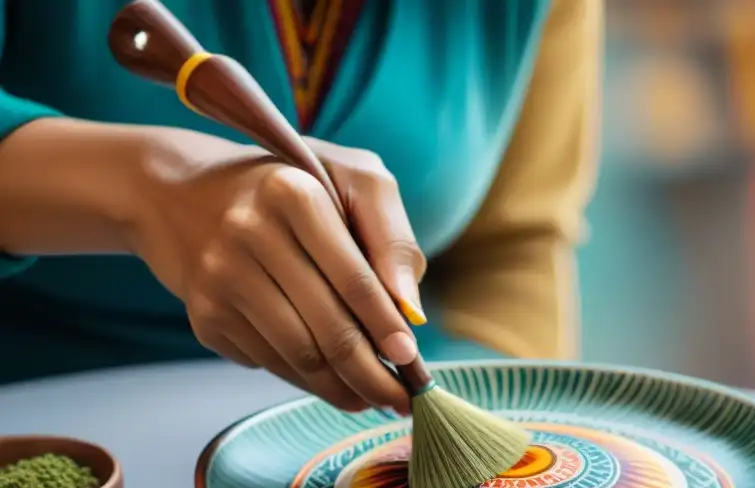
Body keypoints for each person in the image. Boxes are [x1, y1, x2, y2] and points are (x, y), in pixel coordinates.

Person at [0, 0, 600, 415]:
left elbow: (512, 249)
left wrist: (511, 459)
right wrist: (145, 187)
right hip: (50, 447)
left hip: (359, 468)